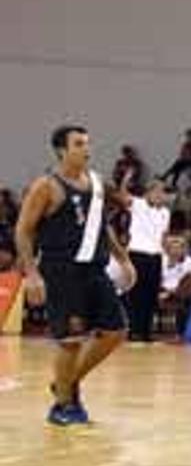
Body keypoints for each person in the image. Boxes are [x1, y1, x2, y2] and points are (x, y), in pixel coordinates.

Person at [13, 125, 133, 425]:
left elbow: (102, 226)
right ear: (61, 151)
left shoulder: (95, 182)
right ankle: (63, 406)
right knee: (70, 341)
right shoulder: (46, 186)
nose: (86, 149)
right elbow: (23, 231)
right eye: (79, 144)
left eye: (87, 143)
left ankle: (64, 384)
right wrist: (32, 274)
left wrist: (124, 259)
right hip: (61, 271)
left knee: (116, 332)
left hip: (95, 268)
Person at [120, 178, 171, 344]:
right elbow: (123, 196)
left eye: (162, 192)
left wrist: (165, 258)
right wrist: (125, 181)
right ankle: (134, 330)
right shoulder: (138, 204)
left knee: (151, 295)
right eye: (157, 191)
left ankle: (146, 331)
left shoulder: (165, 213)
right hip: (138, 255)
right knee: (137, 294)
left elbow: (163, 237)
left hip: (155, 256)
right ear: (148, 192)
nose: (160, 195)